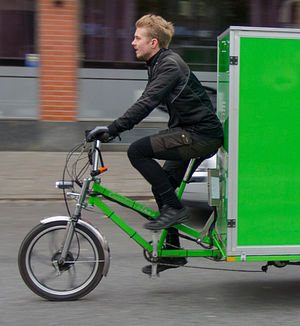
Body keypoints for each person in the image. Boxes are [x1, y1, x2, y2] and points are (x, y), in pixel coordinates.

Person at [87, 14, 223, 274]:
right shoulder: (159, 64)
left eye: (137, 38)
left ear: (154, 42)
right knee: (163, 187)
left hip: (200, 134)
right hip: (188, 131)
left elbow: (146, 102)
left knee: (137, 151)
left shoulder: (169, 64)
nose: (132, 42)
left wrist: (113, 129)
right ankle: (172, 254)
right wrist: (112, 129)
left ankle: (175, 209)